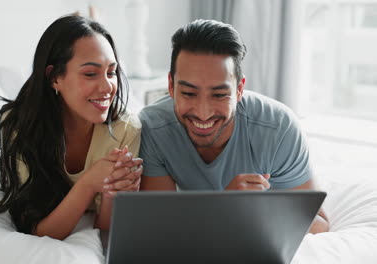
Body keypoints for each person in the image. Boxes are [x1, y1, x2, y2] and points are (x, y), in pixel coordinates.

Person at [139, 19, 329, 233]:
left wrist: (255, 211)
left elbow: (319, 226)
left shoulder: (278, 128)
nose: (203, 112)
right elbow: (160, 227)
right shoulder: (152, 128)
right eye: (189, 93)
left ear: (239, 90)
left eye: (219, 95)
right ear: (171, 86)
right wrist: (224, 208)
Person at [0, 15, 143, 240]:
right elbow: (38, 230)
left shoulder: (126, 129)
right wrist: (88, 184)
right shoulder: (21, 127)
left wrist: (112, 193)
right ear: (54, 77)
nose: (108, 87)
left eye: (111, 72)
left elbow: (106, 230)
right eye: (90, 74)